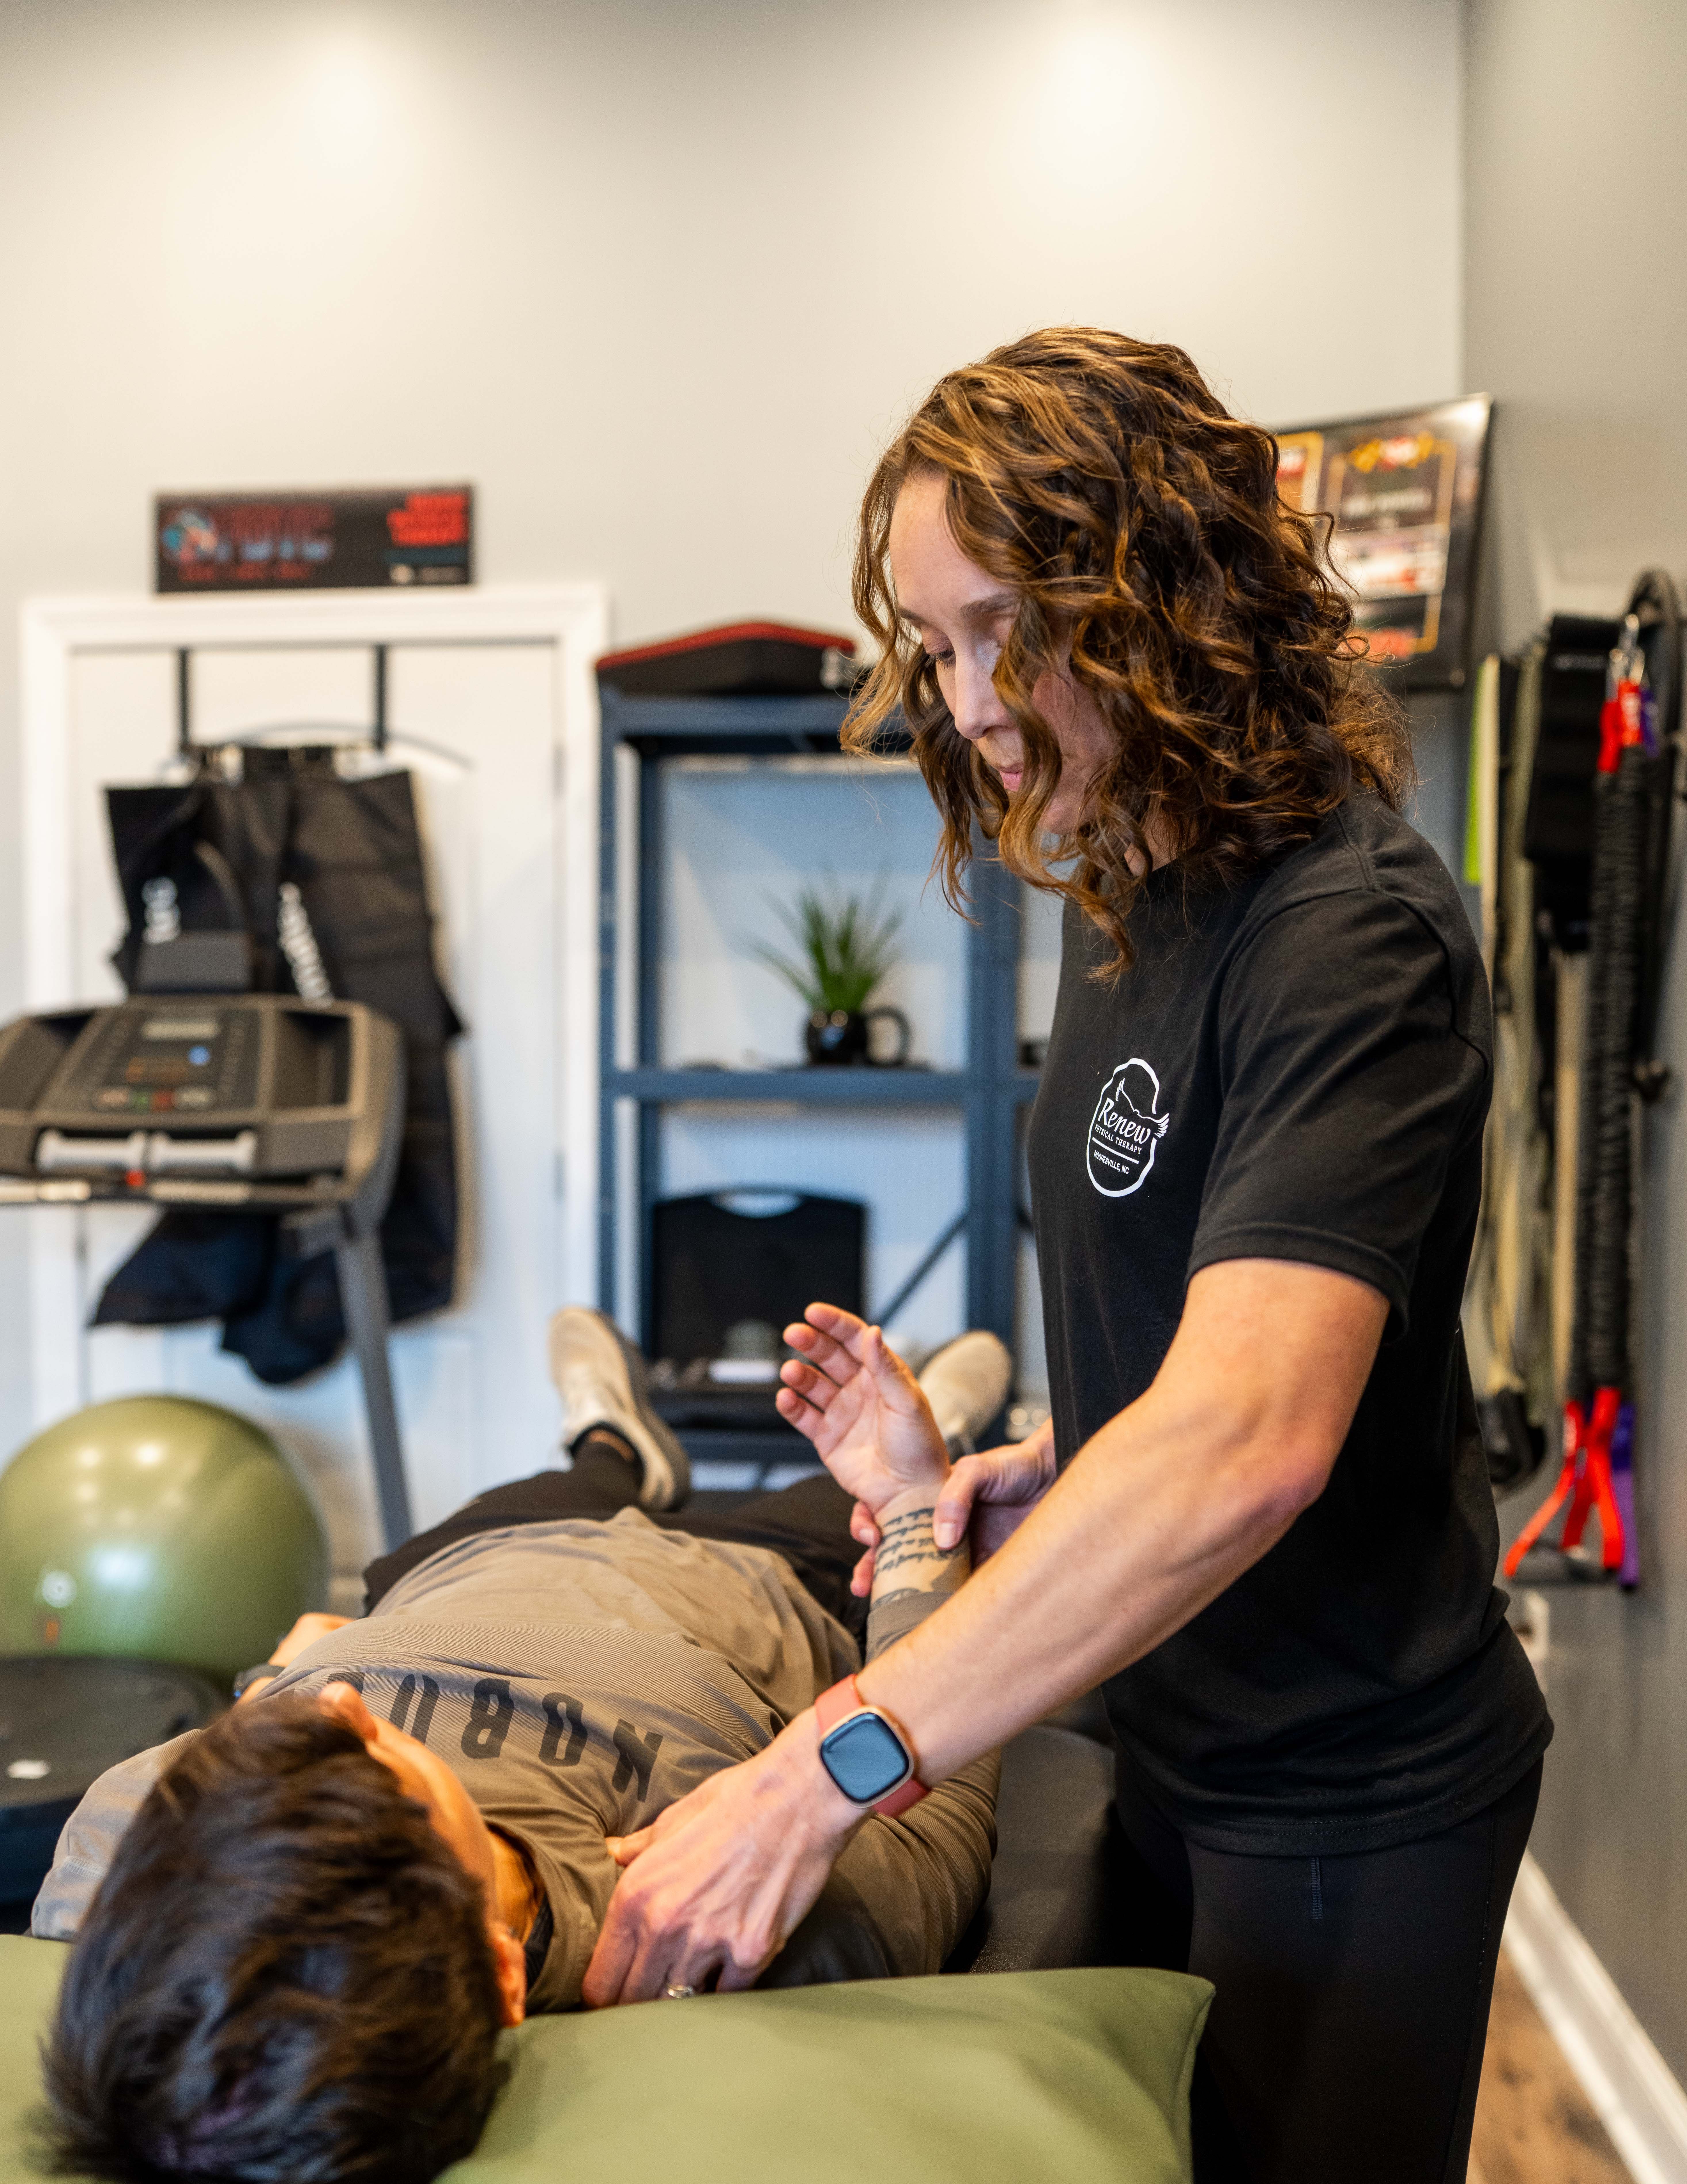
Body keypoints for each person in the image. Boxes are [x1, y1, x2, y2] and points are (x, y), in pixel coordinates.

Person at [581, 328, 1552, 2184]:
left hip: (1344, 1791)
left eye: (995, 633)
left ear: (1160, 599)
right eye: (932, 645)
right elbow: (1180, 1360)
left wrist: (819, 1771)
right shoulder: (1121, 895)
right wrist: (1055, 1465)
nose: (958, 702)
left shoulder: (1345, 937)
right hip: (1152, 1721)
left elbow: (1246, 1439)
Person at [36, 1309, 1008, 2184]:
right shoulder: (732, 1918)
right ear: (502, 1974)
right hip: (757, 1570)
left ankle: (612, 1440)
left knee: (573, 1478)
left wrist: (263, 1690)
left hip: (461, 1562)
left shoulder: (117, 1851)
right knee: (865, 1470)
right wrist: (921, 1509)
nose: (342, 1705)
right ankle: (952, 1436)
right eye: (379, 1776)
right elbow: (949, 1769)